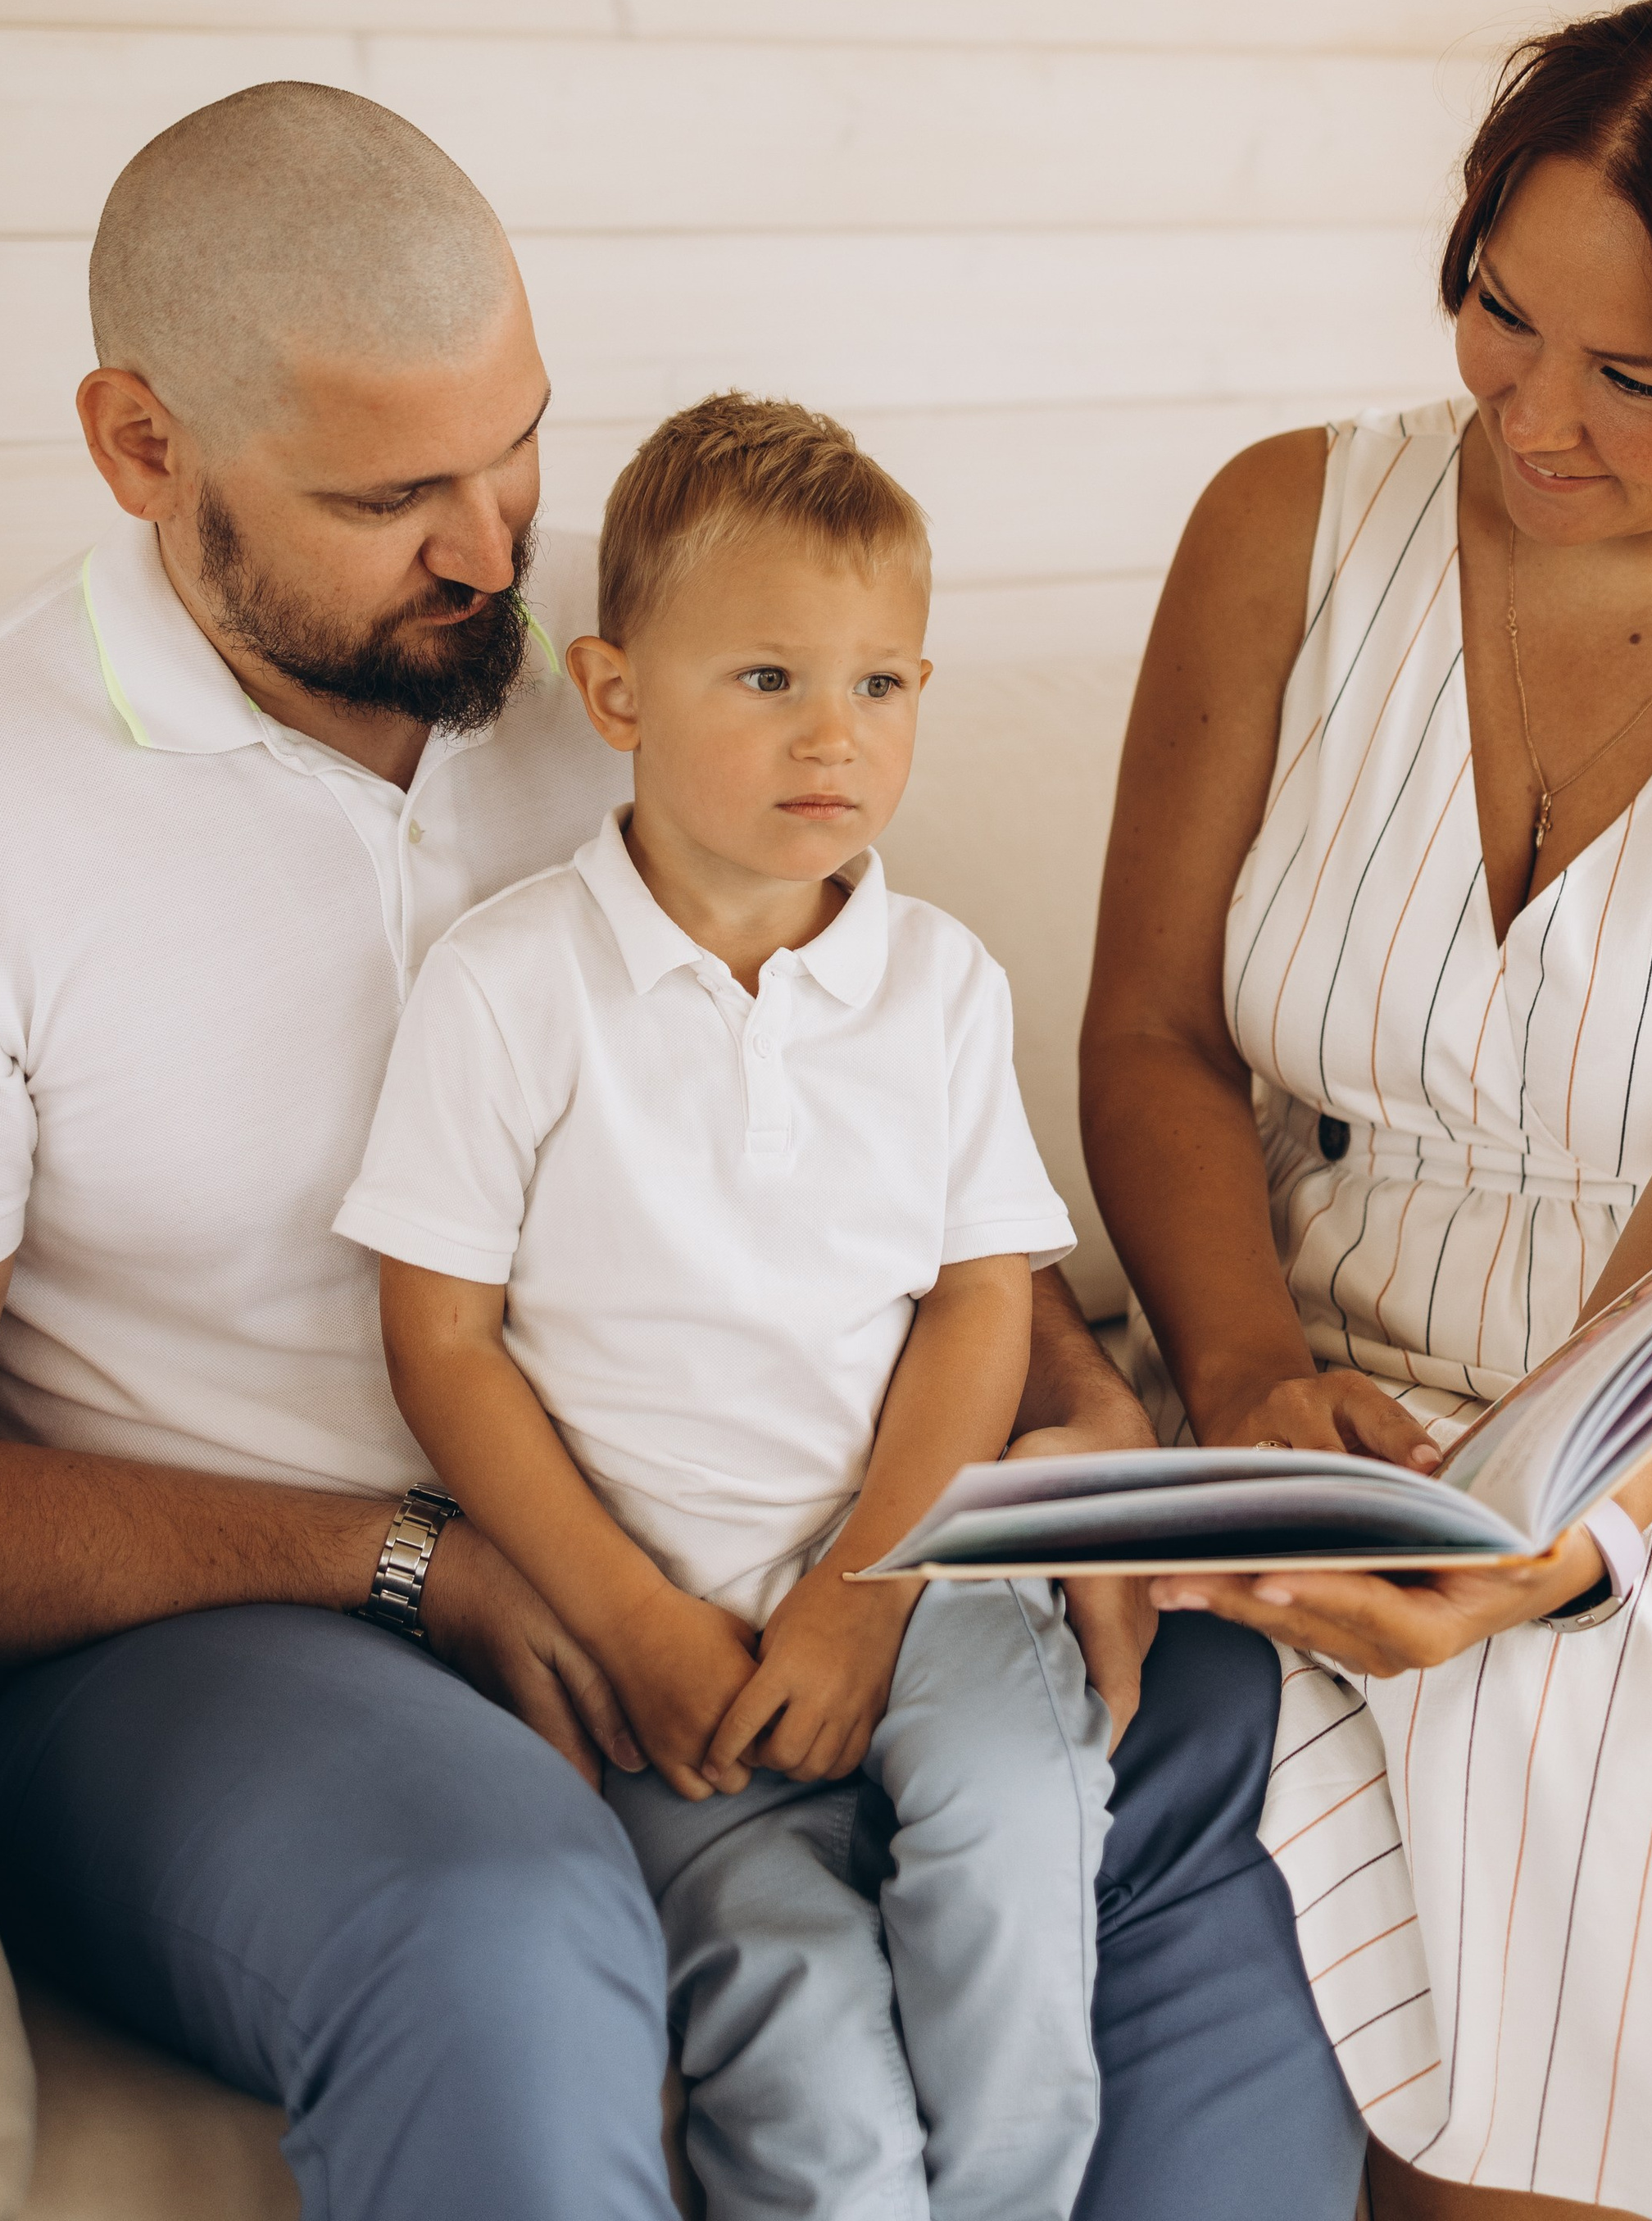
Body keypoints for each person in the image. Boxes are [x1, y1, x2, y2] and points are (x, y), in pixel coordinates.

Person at [0, 81, 1363, 2220]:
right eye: (392, 494)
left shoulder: (659, 670)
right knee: (490, 1910)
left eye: (515, 446)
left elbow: (889, 1116)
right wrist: (411, 1564)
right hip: (231, 1621)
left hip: (748, 1519)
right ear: (142, 447)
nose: (489, 544)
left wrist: (1075, 1417)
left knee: (1193, 1717)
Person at [1082, 0, 1652, 2221]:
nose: (1532, 417)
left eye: (1637, 381)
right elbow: (1157, 1037)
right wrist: (1253, 1372)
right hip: (1317, 1345)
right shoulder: (1285, 525)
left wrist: (1551, 1536)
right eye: (1501, 312)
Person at [339, 393, 1112, 2219]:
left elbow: (976, 1299)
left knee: (1010, 1865)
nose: (831, 738)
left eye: (882, 686)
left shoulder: (936, 983)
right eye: (764, 679)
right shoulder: (510, 984)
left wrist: (858, 1601)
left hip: (918, 1584)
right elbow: (437, 1339)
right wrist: (631, 1624)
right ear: (612, 694)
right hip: (661, 1646)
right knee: (801, 2050)